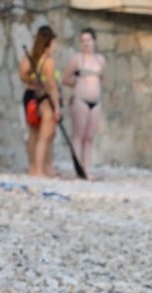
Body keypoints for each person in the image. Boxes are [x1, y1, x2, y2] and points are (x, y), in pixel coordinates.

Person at [63, 28, 106, 179]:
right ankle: (78, 169)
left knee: (89, 137)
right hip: (80, 100)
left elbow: (103, 79)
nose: (86, 44)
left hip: (95, 101)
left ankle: (87, 169)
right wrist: (79, 84)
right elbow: (65, 78)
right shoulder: (77, 59)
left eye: (89, 40)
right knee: (78, 135)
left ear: (94, 41)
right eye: (83, 41)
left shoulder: (100, 60)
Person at [19, 26, 61, 177]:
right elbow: (52, 86)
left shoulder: (31, 55)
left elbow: (22, 74)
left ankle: (35, 168)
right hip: (44, 97)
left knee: (34, 133)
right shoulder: (48, 61)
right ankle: (39, 170)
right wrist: (57, 107)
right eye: (54, 41)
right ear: (49, 42)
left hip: (30, 95)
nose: (56, 45)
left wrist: (33, 80)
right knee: (45, 135)